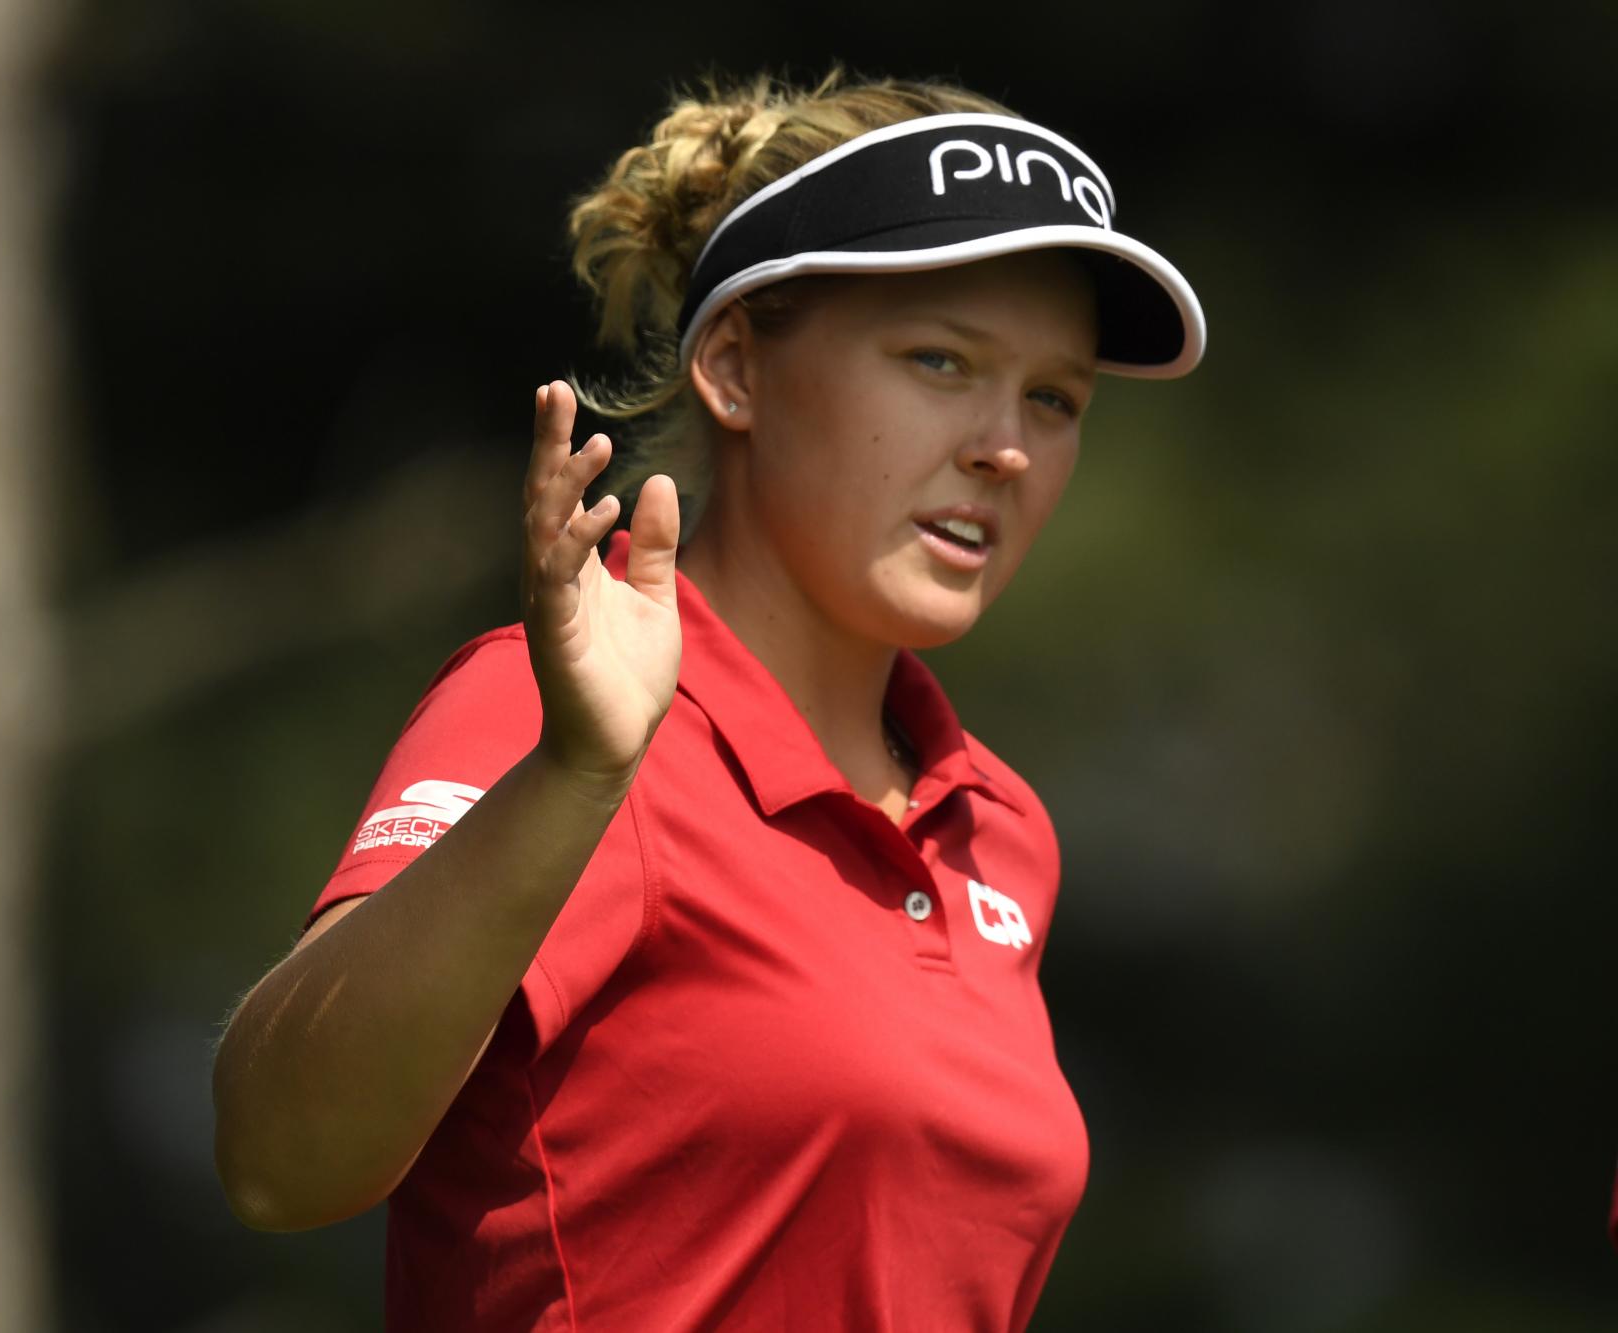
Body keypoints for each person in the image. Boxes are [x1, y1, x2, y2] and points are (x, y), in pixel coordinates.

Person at [212, 68, 1206, 1331]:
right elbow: (277, 1156)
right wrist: (572, 777)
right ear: (734, 368)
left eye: (1053, 397)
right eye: (939, 359)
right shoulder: (562, 716)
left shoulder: (998, 829)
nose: (1002, 445)